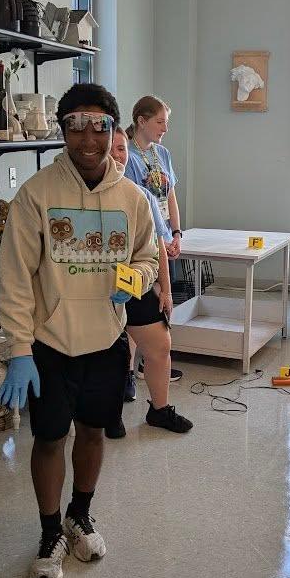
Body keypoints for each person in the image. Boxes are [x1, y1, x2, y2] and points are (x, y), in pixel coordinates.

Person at [0, 83, 159, 578]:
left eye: (99, 125)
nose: (88, 137)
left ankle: (79, 514)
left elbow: (148, 257)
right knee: (49, 439)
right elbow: (16, 277)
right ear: (63, 129)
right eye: (76, 125)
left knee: (92, 432)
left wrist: (133, 281)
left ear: (113, 132)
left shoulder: (132, 199)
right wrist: (19, 349)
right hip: (50, 347)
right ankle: (49, 533)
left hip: (107, 343)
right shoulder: (37, 195)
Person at [106, 126, 193, 438]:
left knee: (160, 345)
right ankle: (110, 413)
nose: (116, 155)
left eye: (120, 149)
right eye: (110, 149)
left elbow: (157, 245)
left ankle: (159, 410)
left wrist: (166, 291)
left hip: (134, 283)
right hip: (94, 290)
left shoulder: (140, 196)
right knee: (112, 354)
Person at [124, 95, 184, 393]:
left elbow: (169, 194)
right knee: (141, 308)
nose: (165, 128)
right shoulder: (127, 157)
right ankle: (130, 374)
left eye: (166, 122)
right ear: (141, 121)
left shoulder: (163, 154)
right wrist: (161, 238)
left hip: (164, 237)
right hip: (144, 241)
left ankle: (152, 363)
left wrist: (176, 232)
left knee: (158, 303)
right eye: (160, 122)